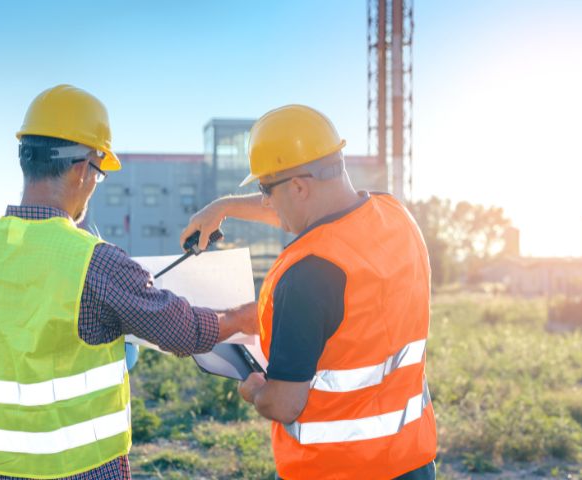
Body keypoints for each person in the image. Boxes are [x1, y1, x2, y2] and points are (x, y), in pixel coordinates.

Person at [0, 84, 256, 480]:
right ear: (82, 168)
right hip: (78, 471)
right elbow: (182, 329)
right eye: (99, 173)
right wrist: (243, 318)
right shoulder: (93, 261)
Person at [180, 104, 437, 479]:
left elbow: (284, 404)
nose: (265, 202)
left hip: (335, 470)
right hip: (411, 462)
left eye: (266, 189)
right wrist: (225, 207)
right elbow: (307, 213)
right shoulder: (394, 215)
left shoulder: (307, 273)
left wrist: (254, 390)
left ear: (299, 187)